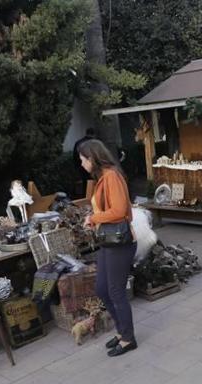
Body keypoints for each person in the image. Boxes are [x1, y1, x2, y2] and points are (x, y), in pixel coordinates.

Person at [79, 139, 138, 357]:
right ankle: (122, 332)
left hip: (120, 242)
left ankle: (128, 338)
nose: (82, 164)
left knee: (115, 291)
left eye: (83, 159)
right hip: (109, 241)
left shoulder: (111, 176)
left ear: (93, 158)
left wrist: (93, 218)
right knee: (102, 289)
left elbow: (119, 210)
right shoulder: (104, 178)